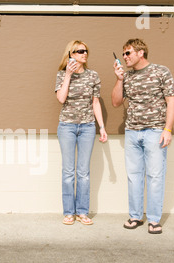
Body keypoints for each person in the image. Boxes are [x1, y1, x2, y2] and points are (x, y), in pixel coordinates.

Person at [111, 38, 174, 234]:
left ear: (140, 53)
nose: (124, 57)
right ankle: (135, 216)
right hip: (132, 132)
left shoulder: (161, 71)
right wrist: (119, 79)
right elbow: (116, 102)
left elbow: (171, 101)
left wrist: (167, 129)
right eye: (123, 54)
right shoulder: (128, 76)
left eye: (128, 53)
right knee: (134, 176)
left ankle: (154, 220)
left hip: (155, 131)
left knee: (155, 176)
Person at [55, 40, 108, 226]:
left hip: (87, 127)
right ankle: (69, 212)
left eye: (86, 50)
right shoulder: (61, 74)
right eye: (80, 51)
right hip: (67, 126)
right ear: (71, 54)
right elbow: (61, 98)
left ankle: (82, 212)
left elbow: (95, 103)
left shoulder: (93, 76)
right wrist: (68, 75)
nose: (84, 53)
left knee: (83, 172)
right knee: (68, 172)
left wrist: (101, 127)